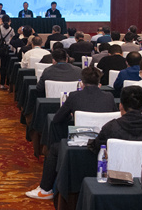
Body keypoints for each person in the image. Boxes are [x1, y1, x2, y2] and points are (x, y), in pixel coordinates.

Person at [25, 68, 119, 200]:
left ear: (81, 83)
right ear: (99, 83)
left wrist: (71, 115)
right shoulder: (109, 97)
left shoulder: (74, 96)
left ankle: (46, 189)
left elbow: (57, 119)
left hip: (80, 144)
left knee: (53, 149)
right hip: (104, 144)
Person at [0, 15, 16, 90]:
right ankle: (2, 84)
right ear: (9, 21)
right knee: (3, 67)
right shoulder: (11, 29)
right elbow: (13, 36)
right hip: (5, 49)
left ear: (1, 20)